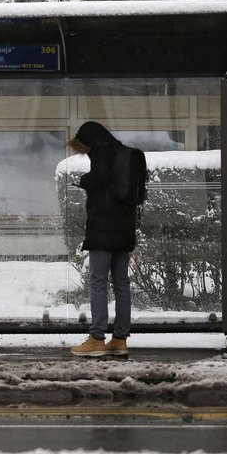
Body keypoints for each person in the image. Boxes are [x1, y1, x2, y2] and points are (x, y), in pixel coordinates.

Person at [68, 121, 138, 358]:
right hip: (125, 227)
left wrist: (84, 181)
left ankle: (97, 339)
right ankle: (120, 339)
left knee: (98, 282)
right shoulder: (124, 154)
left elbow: (99, 177)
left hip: (103, 229)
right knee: (121, 284)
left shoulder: (102, 153)